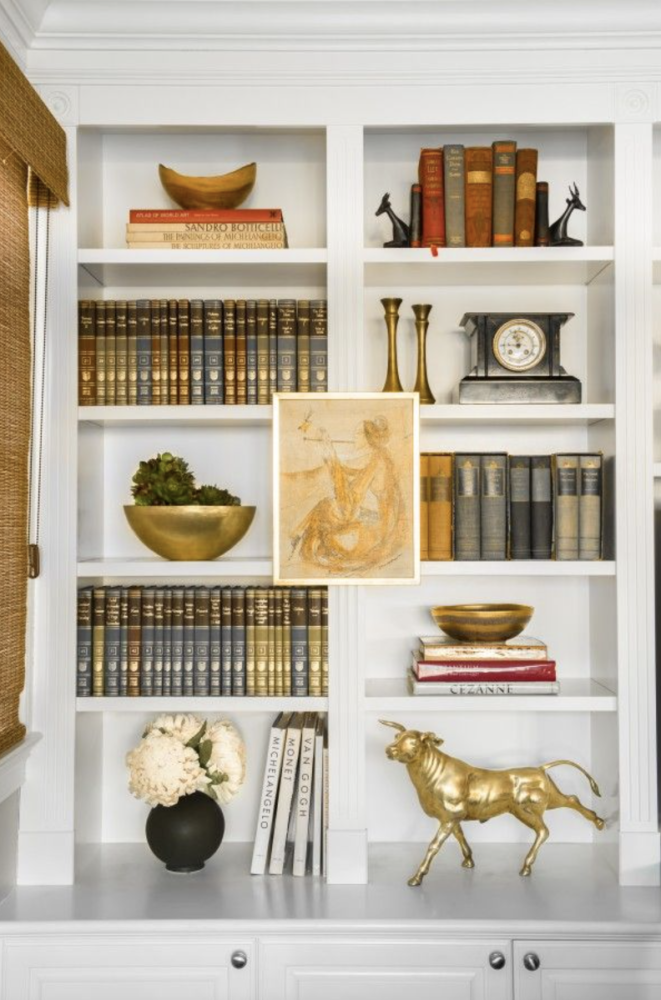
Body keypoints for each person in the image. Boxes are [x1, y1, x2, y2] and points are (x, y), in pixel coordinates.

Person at [289, 415, 407, 574]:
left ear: (368, 437)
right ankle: (297, 534)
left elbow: (350, 495)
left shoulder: (376, 460)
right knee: (325, 506)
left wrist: (330, 452)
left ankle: (297, 535)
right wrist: (329, 452)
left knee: (325, 508)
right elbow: (347, 473)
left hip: (375, 525)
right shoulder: (377, 456)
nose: (354, 437)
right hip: (371, 517)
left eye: (358, 433)